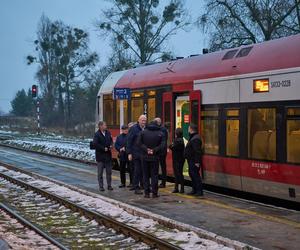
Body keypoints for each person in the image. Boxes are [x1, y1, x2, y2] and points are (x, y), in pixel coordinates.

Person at [138, 120, 166, 198]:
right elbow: (163, 145)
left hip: (144, 157)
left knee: (145, 175)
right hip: (155, 157)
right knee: (154, 175)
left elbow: (139, 143)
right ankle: (154, 193)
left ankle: (146, 193)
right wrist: (154, 150)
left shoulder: (143, 132)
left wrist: (146, 149)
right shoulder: (160, 133)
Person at [127, 115, 147, 194]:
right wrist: (129, 153)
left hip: (144, 153)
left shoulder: (146, 128)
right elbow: (129, 141)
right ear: (138, 120)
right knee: (137, 170)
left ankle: (144, 185)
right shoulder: (133, 129)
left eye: (145, 120)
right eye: (142, 120)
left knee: (144, 170)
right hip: (136, 153)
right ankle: (136, 187)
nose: (144, 122)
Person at [93, 121, 113, 192]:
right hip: (100, 156)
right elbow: (95, 144)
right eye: (105, 125)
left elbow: (111, 140)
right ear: (100, 126)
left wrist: (111, 145)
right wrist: (103, 148)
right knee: (100, 173)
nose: (106, 126)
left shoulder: (108, 132)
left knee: (109, 172)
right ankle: (101, 186)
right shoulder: (97, 134)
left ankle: (109, 185)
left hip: (108, 156)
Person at [184, 124, 203, 197]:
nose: (188, 130)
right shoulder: (193, 137)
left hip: (194, 161)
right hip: (191, 160)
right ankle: (194, 189)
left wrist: (197, 162)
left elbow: (197, 151)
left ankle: (199, 191)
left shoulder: (196, 138)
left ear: (191, 129)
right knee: (192, 174)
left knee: (195, 176)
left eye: (189, 128)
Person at [169, 128, 185, 193]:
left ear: (176, 134)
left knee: (177, 174)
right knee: (179, 173)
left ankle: (178, 188)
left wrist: (171, 145)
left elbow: (171, 146)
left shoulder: (177, 141)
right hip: (181, 159)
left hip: (176, 159)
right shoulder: (181, 140)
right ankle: (180, 188)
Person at [154, 117, 168, 188]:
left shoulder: (160, 129)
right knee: (163, 167)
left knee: (157, 167)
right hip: (162, 151)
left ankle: (161, 182)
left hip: (159, 151)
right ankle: (163, 182)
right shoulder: (164, 129)